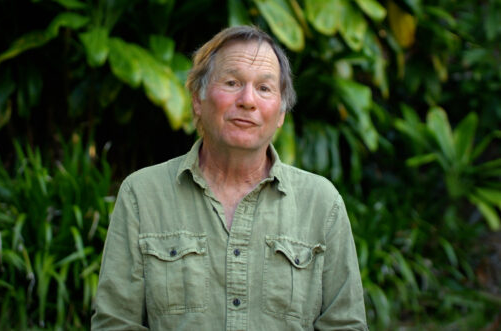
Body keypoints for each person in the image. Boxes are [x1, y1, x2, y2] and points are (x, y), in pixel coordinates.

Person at [91, 25, 368, 330]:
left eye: (264, 88)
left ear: (280, 114)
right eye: (233, 82)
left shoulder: (321, 202)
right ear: (199, 99)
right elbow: (115, 323)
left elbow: (345, 325)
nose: (248, 100)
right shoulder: (143, 195)